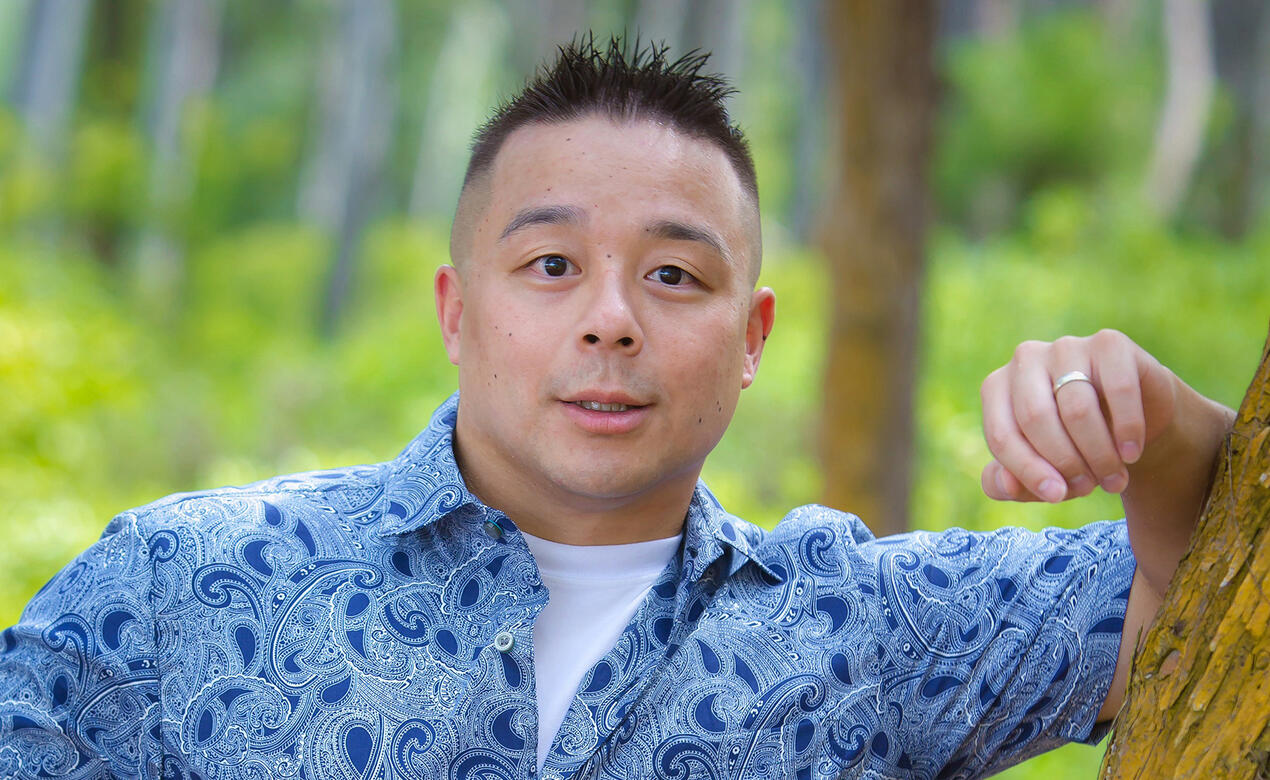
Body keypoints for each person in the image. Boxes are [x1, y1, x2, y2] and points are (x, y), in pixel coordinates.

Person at [0, 38, 1234, 780]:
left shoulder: (871, 630)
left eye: (673, 275)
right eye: (549, 266)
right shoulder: (179, 587)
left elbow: (1213, 594)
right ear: (454, 310)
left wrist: (1157, 428)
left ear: (751, 339)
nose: (611, 320)